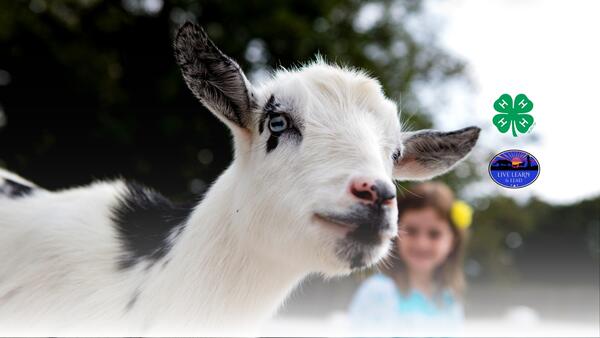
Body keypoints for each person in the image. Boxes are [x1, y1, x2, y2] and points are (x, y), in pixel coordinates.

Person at [348, 182, 473, 336]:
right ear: (395, 231)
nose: (422, 243)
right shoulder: (378, 292)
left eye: (434, 234)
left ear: (452, 241)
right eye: (412, 231)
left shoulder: (449, 298)